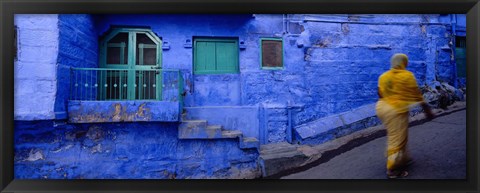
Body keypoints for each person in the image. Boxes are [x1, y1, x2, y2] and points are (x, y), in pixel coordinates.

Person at [376, 53, 435, 179]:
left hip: (382, 108)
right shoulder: (407, 76)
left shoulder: (384, 76)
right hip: (396, 111)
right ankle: (392, 169)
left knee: (399, 135)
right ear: (404, 62)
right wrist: (427, 110)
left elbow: (379, 93)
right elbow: (417, 94)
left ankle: (403, 159)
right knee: (396, 138)